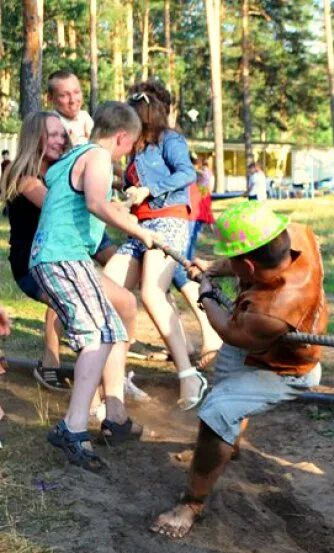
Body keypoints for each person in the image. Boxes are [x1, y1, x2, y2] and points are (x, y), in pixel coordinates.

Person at [150, 201, 328, 539]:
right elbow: (251, 260)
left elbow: (230, 333)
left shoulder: (272, 310)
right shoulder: (295, 236)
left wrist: (205, 294)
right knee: (227, 391)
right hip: (258, 346)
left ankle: (192, 504)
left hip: (286, 370)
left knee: (217, 411)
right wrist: (213, 268)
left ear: (245, 265)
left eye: (233, 261)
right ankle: (228, 443)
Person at [29, 101, 156, 471]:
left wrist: (126, 210)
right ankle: (72, 427)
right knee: (96, 337)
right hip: (63, 257)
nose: (126, 153)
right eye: (129, 146)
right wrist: (140, 232)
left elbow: (97, 202)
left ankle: (111, 417)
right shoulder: (99, 158)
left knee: (112, 331)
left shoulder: (74, 158)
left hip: (62, 257)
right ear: (121, 137)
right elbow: (97, 203)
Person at [0, 112, 124, 391]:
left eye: (62, 134)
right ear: (35, 138)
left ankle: (105, 378)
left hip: (63, 256)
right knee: (70, 300)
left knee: (111, 293)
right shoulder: (24, 176)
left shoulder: (59, 170)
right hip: (33, 264)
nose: (60, 140)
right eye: (52, 134)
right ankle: (56, 367)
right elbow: (57, 207)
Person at [103, 80, 204, 410]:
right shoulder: (133, 148)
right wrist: (125, 197)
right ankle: (113, 379)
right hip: (140, 226)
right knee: (108, 288)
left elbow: (188, 173)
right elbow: (131, 189)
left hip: (170, 219)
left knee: (151, 292)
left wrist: (151, 189)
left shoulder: (169, 140)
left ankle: (189, 375)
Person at [170, 157, 222, 371]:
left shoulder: (172, 150)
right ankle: (180, 343)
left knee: (179, 271)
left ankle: (211, 335)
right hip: (179, 208)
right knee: (158, 282)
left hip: (184, 210)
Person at [47, 70, 94, 146]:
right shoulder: (50, 123)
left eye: (76, 92)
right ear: (50, 98)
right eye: (64, 95)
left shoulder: (84, 116)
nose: (72, 100)